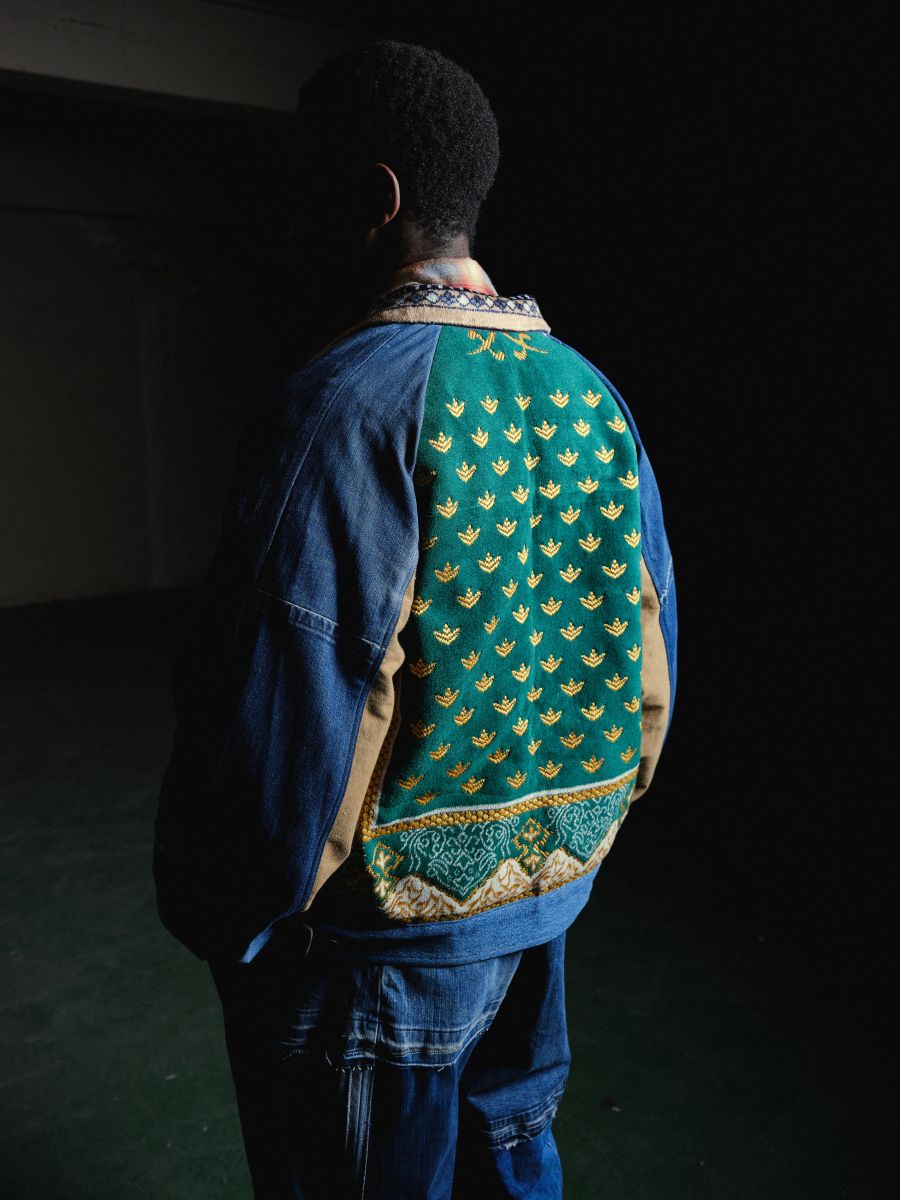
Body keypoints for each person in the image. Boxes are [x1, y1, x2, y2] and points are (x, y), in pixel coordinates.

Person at [152, 38, 678, 1199]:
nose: (288, 220)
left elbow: (290, 722)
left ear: (374, 195)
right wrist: (557, 859)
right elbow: (650, 673)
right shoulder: (595, 397)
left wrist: (236, 924)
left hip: (375, 962)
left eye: (306, 187)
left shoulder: (339, 409)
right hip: (542, 917)